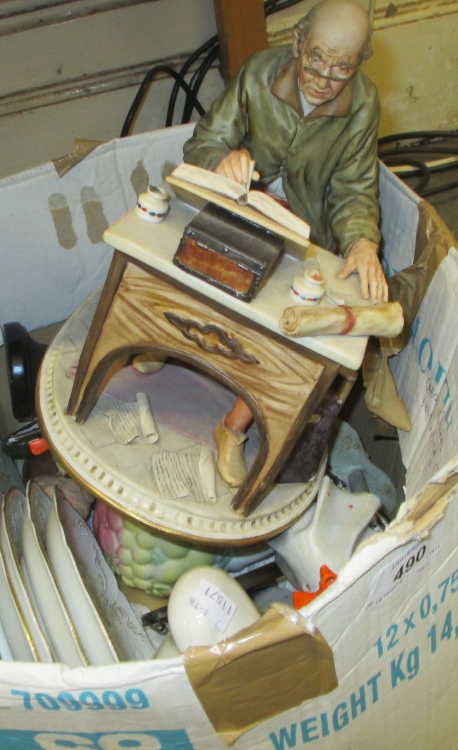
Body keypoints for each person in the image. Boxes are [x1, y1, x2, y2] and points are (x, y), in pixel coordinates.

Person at [181, 0, 387, 487]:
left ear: (360, 63)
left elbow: (354, 188)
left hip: (304, 235)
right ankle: (163, 342)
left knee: (296, 330)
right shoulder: (257, 74)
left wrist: (361, 240)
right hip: (239, 207)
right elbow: (202, 142)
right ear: (297, 43)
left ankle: (234, 425)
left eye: (342, 67)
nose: (324, 77)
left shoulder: (363, 106)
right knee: (182, 259)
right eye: (316, 58)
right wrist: (223, 160)